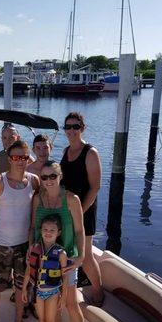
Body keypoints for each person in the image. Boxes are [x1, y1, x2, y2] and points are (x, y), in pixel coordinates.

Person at [30, 160, 88, 322]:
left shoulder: (72, 199)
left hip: (67, 261)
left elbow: (80, 231)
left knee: (71, 305)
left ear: (60, 176)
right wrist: (31, 250)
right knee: (48, 310)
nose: (48, 181)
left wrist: (81, 257)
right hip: (44, 259)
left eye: (52, 176)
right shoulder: (38, 199)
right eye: (44, 177)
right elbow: (33, 228)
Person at [0, 140, 40, 322]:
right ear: (9, 159)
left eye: (24, 157)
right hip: (0, 244)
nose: (21, 161)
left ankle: (18, 320)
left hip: (24, 244)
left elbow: (37, 213)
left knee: (21, 286)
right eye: (16, 157)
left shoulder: (34, 181)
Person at [60, 111, 104, 307]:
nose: (71, 130)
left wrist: (81, 211)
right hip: (67, 209)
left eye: (75, 127)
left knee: (85, 255)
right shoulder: (65, 152)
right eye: (67, 127)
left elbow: (95, 187)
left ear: (82, 128)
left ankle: (98, 291)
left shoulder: (90, 153)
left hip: (84, 209)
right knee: (68, 249)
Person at [22, 214, 68, 322]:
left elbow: (65, 277)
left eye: (52, 230)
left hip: (53, 293)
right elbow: (29, 270)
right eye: (45, 229)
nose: (48, 232)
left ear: (58, 232)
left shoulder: (61, 253)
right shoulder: (35, 248)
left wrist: (64, 297)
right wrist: (23, 289)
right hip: (37, 291)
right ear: (41, 230)